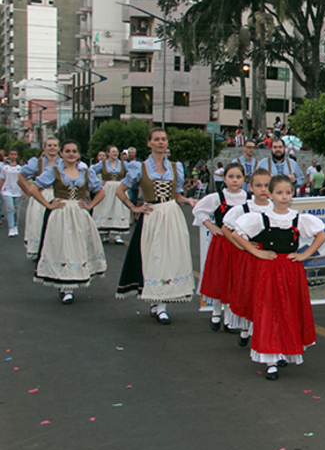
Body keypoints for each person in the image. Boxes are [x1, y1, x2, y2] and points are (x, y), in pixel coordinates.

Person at [231, 175, 325, 380]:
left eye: (288, 192)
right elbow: (236, 234)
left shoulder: (298, 218)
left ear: (293, 194)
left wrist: (305, 254)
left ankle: (283, 350)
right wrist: (255, 252)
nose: (284, 197)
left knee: (289, 310)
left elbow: (321, 235)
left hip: (291, 271)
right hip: (268, 270)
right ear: (271, 194)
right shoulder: (261, 218)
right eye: (279, 193)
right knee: (269, 311)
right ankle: (270, 359)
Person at [115, 128, 197, 324]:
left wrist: (188, 201)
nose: (161, 142)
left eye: (164, 139)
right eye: (157, 139)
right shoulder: (139, 167)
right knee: (154, 258)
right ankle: (155, 298)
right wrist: (134, 208)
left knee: (169, 258)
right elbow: (120, 190)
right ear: (149, 143)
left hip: (171, 214)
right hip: (151, 215)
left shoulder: (176, 167)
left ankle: (162, 305)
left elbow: (177, 196)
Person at [20, 140, 107, 303]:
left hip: (79, 212)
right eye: (67, 151)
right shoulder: (54, 171)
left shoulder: (85, 172)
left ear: (78, 155)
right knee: (63, 246)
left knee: (78, 245)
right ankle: (65, 286)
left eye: (74, 151)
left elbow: (100, 191)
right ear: (62, 154)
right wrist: (48, 204)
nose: (71, 154)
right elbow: (34, 189)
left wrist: (89, 205)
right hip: (61, 212)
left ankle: (72, 280)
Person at [193, 163, 251, 331]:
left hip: (239, 244)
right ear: (224, 179)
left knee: (235, 279)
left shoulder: (247, 198)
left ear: (244, 179)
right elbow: (198, 210)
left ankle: (229, 315)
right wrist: (211, 226)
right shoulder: (217, 197)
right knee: (220, 277)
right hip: (222, 243)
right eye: (231, 177)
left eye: (238, 177)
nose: (234, 180)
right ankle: (216, 311)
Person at [222, 168, 273, 345]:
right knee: (249, 291)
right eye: (258, 185)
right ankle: (246, 327)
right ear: (250, 187)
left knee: (266, 294)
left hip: (269, 256)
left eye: (266, 185)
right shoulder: (243, 208)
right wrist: (240, 244)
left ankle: (262, 330)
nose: (263, 189)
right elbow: (226, 228)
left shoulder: (276, 208)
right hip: (249, 256)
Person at [18, 137, 61, 259]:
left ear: (58, 148)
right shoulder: (38, 162)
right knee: (38, 222)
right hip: (41, 195)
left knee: (57, 223)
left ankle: (55, 250)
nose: (52, 148)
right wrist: (30, 190)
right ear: (45, 148)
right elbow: (21, 176)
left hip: (58, 195)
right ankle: (39, 250)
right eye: (49, 145)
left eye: (54, 145)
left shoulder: (63, 163)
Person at [89, 145, 131, 244]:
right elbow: (91, 171)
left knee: (118, 209)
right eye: (113, 152)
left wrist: (126, 182)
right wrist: (97, 183)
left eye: (116, 152)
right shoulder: (102, 164)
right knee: (105, 208)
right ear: (108, 153)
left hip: (119, 188)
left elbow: (132, 173)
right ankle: (105, 234)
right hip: (107, 188)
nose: (115, 153)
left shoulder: (123, 164)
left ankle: (117, 235)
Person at [2, 148, 23, 237]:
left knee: (16, 210)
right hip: (7, 191)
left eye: (14, 154)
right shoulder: (5, 168)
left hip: (17, 191)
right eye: (11, 154)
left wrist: (24, 191)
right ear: (8, 155)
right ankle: (11, 228)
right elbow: (2, 179)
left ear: (17, 156)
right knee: (10, 209)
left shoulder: (20, 168)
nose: (13, 156)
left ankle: (15, 226)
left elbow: (22, 180)